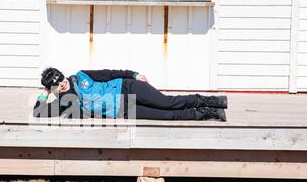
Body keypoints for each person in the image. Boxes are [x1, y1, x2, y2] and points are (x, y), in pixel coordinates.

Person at [33, 68, 228, 121]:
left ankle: (213, 101)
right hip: (124, 110)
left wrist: (133, 75)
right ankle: (210, 113)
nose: (61, 81)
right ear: (53, 88)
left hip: (128, 88)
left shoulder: (81, 76)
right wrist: (45, 94)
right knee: (167, 115)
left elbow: (109, 73)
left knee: (167, 103)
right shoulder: (66, 102)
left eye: (60, 76)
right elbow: (38, 113)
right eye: (56, 83)